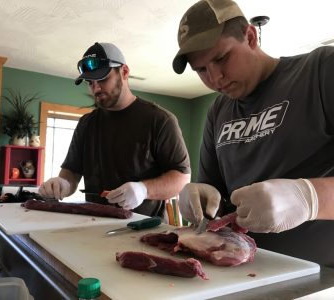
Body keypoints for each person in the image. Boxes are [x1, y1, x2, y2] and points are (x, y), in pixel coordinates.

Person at [173, 0, 334, 266]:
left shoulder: (321, 70)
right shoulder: (218, 111)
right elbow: (215, 195)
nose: (215, 78)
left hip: (321, 280)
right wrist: (200, 197)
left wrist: (310, 197)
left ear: (250, 36)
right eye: (201, 69)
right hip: (242, 276)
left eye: (221, 58)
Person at [39, 42, 191, 217]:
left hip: (143, 229)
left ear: (124, 72)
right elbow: (71, 172)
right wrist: (62, 184)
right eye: (90, 82)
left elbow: (181, 178)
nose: (95, 88)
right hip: (93, 226)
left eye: (103, 79)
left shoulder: (160, 120)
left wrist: (143, 190)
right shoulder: (86, 124)